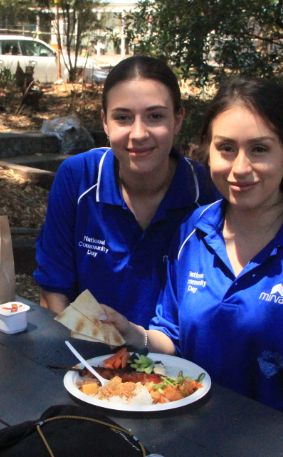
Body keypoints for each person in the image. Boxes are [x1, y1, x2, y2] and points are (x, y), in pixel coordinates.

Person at [100, 76, 283, 439]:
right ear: (207, 152)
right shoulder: (192, 232)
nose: (240, 168)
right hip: (194, 439)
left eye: (259, 149)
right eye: (226, 148)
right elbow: (174, 336)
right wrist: (134, 334)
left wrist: (252, 451)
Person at [34, 56, 218, 327]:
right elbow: (54, 289)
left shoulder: (207, 190)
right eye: (123, 118)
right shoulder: (78, 178)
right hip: (86, 355)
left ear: (178, 119)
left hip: (178, 364)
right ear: (105, 122)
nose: (138, 133)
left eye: (155, 116)